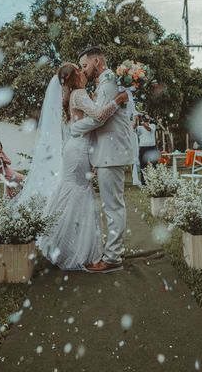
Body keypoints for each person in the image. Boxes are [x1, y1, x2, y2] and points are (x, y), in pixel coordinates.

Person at [38, 63, 128, 270]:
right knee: (78, 193)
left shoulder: (73, 95)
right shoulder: (79, 93)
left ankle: (63, 244)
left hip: (77, 148)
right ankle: (72, 248)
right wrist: (117, 101)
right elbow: (98, 116)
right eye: (80, 69)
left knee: (74, 192)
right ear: (74, 76)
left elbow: (86, 119)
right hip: (79, 149)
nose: (84, 71)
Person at [71, 46, 136, 273]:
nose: (83, 70)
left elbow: (99, 119)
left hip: (112, 152)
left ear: (97, 61)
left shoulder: (108, 81)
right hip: (108, 151)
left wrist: (74, 128)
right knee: (112, 204)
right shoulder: (106, 82)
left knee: (113, 206)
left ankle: (112, 258)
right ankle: (114, 252)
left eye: (85, 65)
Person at [136, 115, 159, 185]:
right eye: (144, 117)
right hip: (143, 148)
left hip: (152, 147)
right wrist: (136, 120)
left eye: (147, 116)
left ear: (149, 119)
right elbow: (134, 129)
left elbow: (149, 129)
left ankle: (156, 181)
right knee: (143, 166)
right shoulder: (140, 127)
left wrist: (142, 123)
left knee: (155, 165)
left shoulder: (153, 125)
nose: (146, 117)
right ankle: (144, 183)